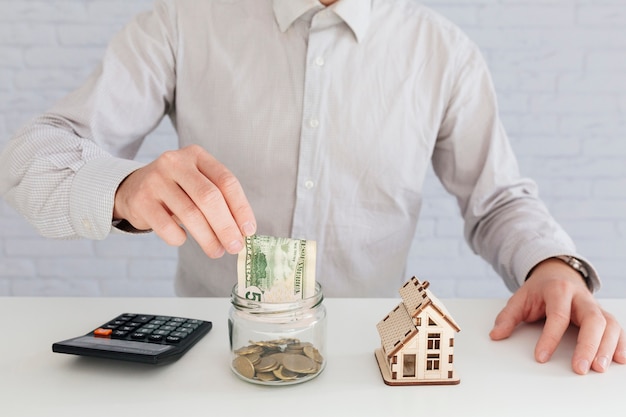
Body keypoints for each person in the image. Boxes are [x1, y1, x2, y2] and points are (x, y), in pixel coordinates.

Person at [0, 0, 623, 375]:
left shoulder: (444, 53)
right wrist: (125, 187)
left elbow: (500, 202)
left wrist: (551, 266)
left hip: (369, 365)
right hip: (215, 362)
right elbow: (32, 155)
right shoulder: (183, 22)